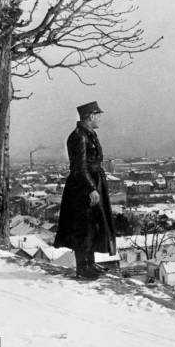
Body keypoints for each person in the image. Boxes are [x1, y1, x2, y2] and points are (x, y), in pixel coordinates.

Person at [54, 101, 117, 279]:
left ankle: (90, 263)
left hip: (92, 183)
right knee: (84, 227)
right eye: (98, 115)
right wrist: (91, 188)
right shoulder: (79, 137)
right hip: (82, 187)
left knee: (92, 224)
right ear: (90, 116)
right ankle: (83, 268)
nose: (100, 119)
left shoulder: (89, 134)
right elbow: (79, 167)